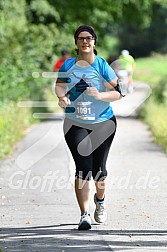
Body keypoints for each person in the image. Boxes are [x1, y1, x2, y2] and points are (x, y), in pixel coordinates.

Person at [55, 25, 124, 230]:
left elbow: (118, 93)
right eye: (81, 38)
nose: (85, 41)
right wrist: (62, 98)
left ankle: (100, 202)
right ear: (76, 42)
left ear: (94, 42)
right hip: (75, 123)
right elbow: (59, 86)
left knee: (99, 172)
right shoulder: (68, 65)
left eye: (89, 38)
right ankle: (84, 214)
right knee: (83, 169)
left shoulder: (102, 66)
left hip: (103, 123)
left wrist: (100, 95)